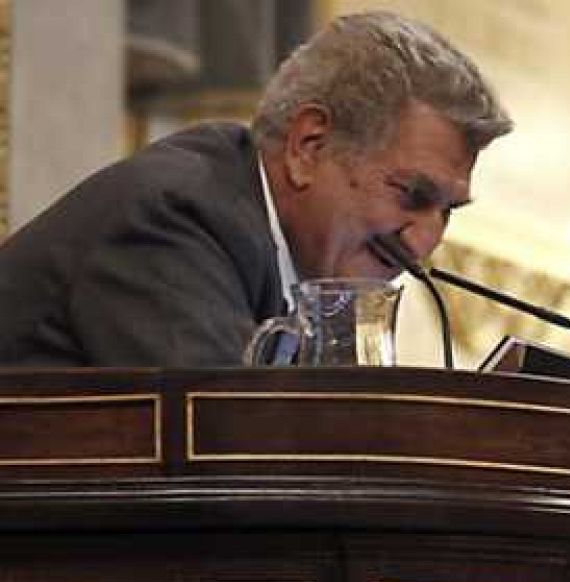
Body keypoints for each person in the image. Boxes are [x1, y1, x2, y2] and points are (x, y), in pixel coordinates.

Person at [0, 10, 511, 367]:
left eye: (448, 211)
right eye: (413, 196)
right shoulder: (175, 218)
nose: (425, 242)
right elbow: (224, 459)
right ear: (308, 147)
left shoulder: (303, 262)